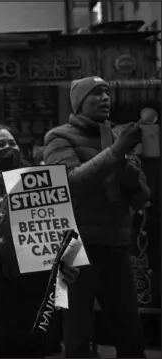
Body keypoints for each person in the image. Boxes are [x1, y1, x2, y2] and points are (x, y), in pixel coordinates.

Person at [44, 76, 150, 358]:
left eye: (106, 93)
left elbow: (141, 197)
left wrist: (130, 175)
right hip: (75, 249)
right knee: (77, 332)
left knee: (130, 331)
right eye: (95, 93)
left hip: (116, 243)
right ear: (78, 102)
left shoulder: (118, 135)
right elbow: (70, 182)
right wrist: (116, 152)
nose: (105, 98)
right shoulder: (58, 137)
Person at [0, 125, 69, 358]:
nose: (8, 148)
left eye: (12, 143)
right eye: (0, 145)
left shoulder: (38, 182)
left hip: (34, 294)